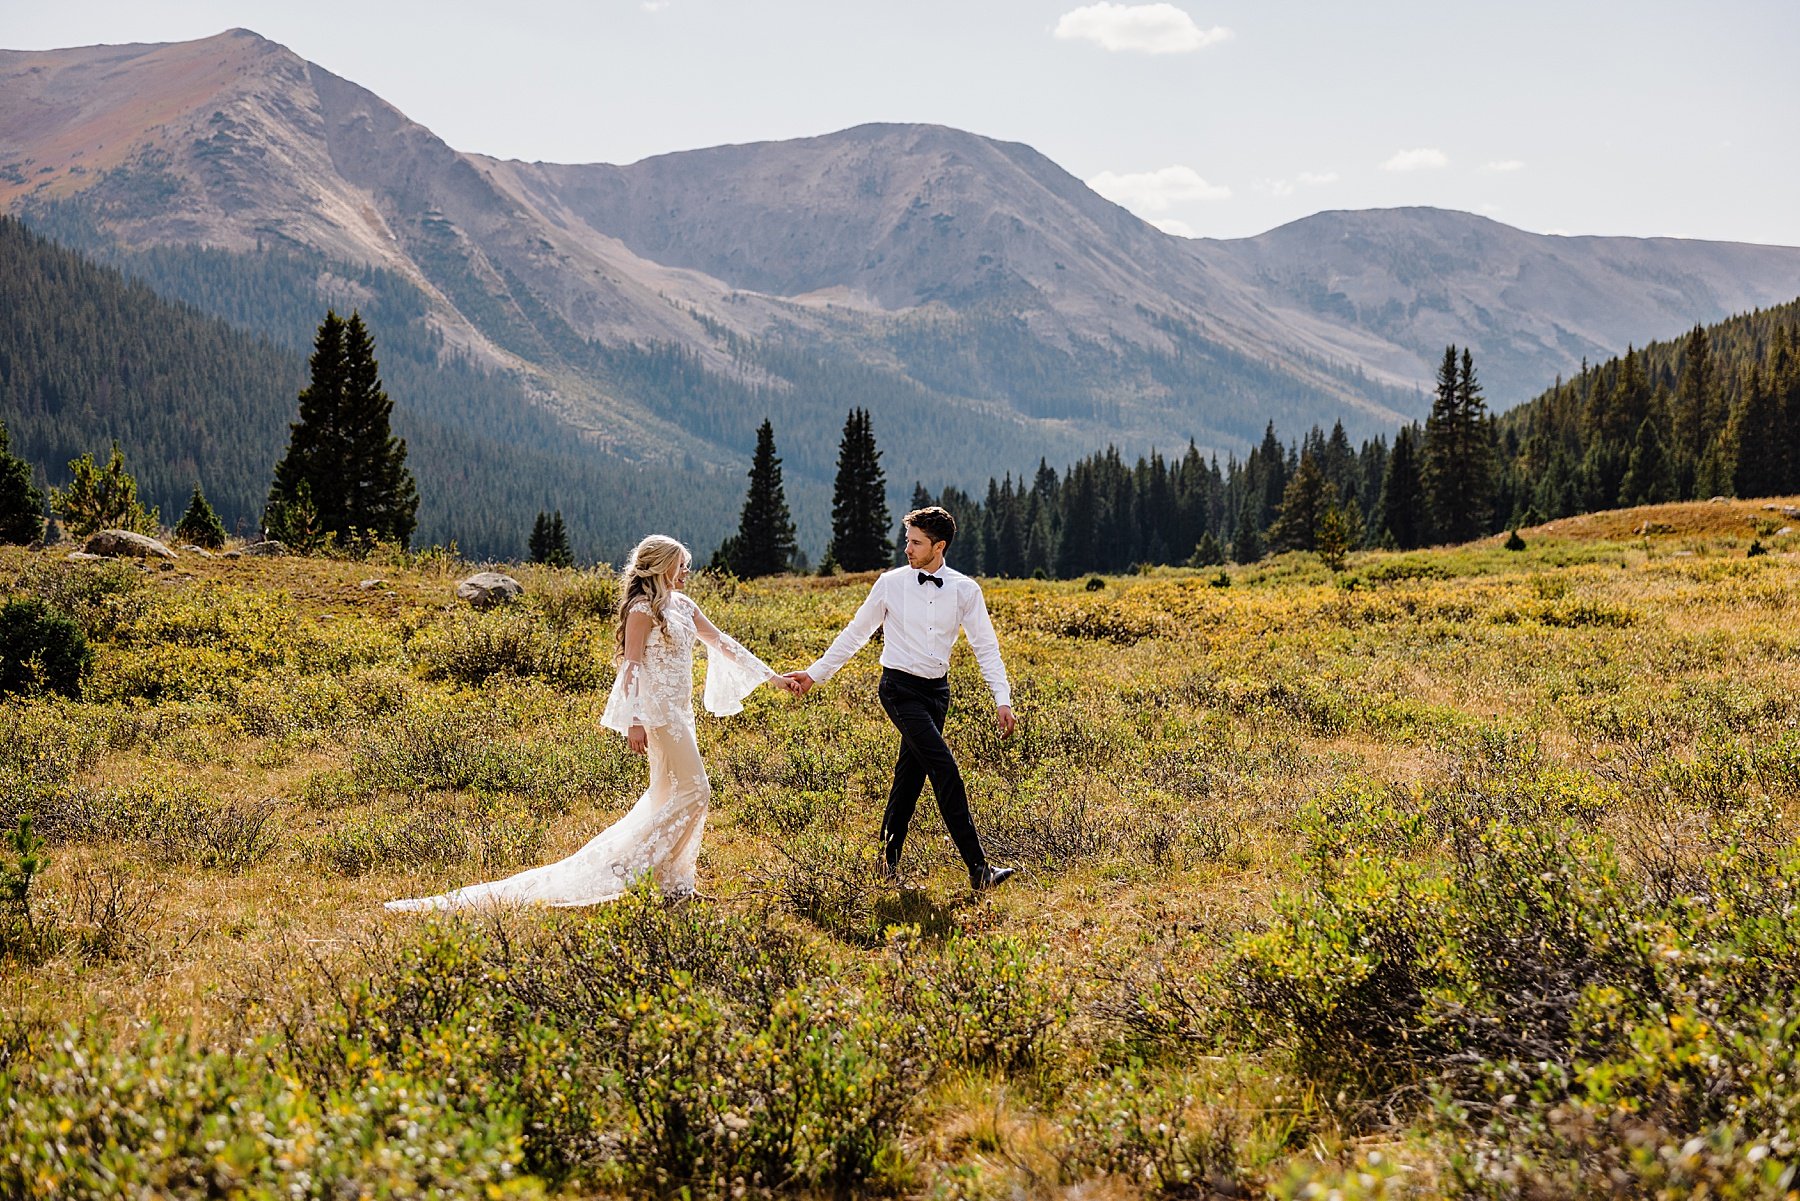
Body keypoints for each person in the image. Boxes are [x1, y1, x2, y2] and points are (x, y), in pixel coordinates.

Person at [386, 535, 798, 911]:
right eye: (681, 565)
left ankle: (671, 883)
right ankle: (634, 867)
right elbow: (631, 666)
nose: (687, 572)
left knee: (668, 793)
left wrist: (774, 677)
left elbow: (722, 642)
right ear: (661, 567)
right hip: (660, 716)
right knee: (697, 790)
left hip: (682, 713)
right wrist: (635, 721)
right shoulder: (641, 609)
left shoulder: (684, 606)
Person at [784, 506, 1019, 892]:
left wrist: (1002, 699)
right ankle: (979, 870)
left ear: (939, 546)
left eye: (915, 542)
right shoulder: (890, 583)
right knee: (944, 768)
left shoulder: (965, 590)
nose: (907, 549)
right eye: (906, 541)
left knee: (909, 779)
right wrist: (814, 675)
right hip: (898, 689)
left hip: (936, 694)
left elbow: (986, 648)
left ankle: (886, 864)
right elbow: (855, 633)